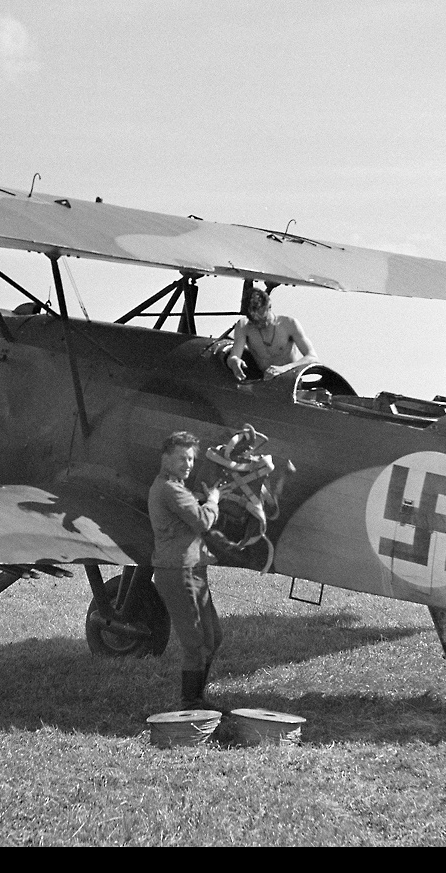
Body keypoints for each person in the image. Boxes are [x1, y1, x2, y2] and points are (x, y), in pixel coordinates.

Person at [148, 430, 225, 710]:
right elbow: (203, 521)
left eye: (191, 458)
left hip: (192, 569)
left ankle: (199, 697)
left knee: (213, 636)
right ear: (165, 458)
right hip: (178, 571)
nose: (188, 464)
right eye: (182, 458)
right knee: (196, 642)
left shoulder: (177, 488)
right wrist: (214, 499)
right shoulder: (169, 489)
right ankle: (190, 701)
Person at [227, 287, 318, 381]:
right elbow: (233, 356)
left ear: (269, 306)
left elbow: (312, 357)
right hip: (264, 383)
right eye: (254, 320)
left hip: (289, 381)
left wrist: (283, 369)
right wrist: (234, 362)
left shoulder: (289, 324)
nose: (259, 324)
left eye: (263, 318)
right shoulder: (244, 326)